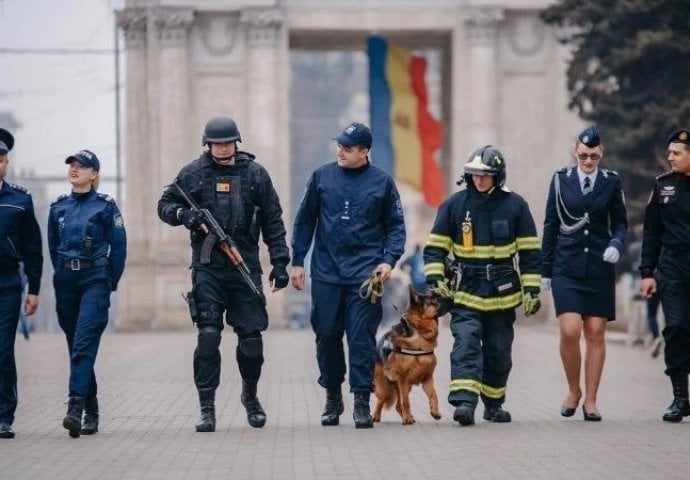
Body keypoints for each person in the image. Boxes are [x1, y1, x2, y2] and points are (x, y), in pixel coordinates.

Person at [158, 116, 290, 432]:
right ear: (208, 145)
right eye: (217, 143)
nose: (222, 148)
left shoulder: (256, 175)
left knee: (251, 342)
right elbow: (164, 205)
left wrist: (280, 263)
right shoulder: (192, 174)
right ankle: (207, 408)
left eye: (227, 142)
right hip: (208, 269)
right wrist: (184, 215)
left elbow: (273, 221)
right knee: (208, 337)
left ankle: (250, 396)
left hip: (245, 267)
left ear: (236, 143)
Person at [290, 122, 406, 428]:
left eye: (347, 147)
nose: (340, 151)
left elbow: (395, 226)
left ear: (364, 152)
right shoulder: (321, 177)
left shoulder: (382, 183)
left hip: (365, 276)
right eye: (338, 145)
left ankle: (360, 402)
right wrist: (298, 260)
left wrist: (389, 260)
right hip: (327, 273)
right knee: (326, 335)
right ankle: (332, 396)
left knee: (360, 339)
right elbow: (305, 220)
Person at [424, 145, 542, 426]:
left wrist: (532, 290)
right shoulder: (454, 205)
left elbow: (529, 254)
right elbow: (434, 249)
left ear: (497, 176)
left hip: (502, 294)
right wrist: (436, 279)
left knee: (499, 352)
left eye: (485, 175)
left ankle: (493, 404)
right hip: (466, 290)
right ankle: (465, 402)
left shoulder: (516, 206)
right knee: (465, 344)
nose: (479, 180)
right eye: (474, 175)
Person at [541, 126, 627, 422]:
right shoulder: (560, 180)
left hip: (599, 267)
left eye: (593, 156)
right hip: (567, 266)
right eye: (583, 156)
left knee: (596, 334)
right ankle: (573, 389)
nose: (588, 161)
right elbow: (551, 225)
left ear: (601, 153)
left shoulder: (611, 181)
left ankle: (590, 400)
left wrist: (616, 244)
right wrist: (545, 270)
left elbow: (620, 223)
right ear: (574, 152)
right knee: (569, 330)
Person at [47, 149, 127, 438]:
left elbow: (119, 248)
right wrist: (61, 274)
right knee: (76, 346)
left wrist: (109, 282)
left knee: (83, 343)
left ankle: (74, 408)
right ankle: (92, 408)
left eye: (81, 166)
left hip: (95, 279)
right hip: (66, 279)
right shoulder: (58, 207)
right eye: (71, 165)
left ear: (93, 174)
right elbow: (53, 246)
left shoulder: (105, 206)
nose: (74, 169)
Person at [639, 128, 690, 422]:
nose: (670, 157)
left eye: (676, 153)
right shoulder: (662, 187)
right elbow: (651, 233)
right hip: (672, 267)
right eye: (670, 152)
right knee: (675, 328)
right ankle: (680, 398)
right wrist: (647, 273)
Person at [0, 128, 43, 439]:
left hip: (7, 282)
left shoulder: (20, 199)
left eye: (0, 159)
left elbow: (33, 248)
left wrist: (35, 289)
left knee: (3, 349)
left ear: (6, 163)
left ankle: (4, 416)